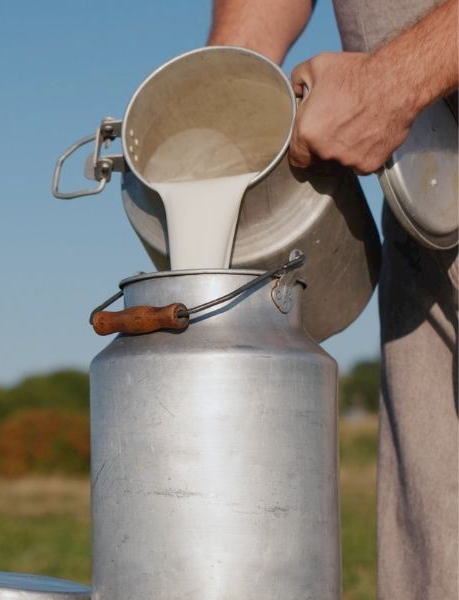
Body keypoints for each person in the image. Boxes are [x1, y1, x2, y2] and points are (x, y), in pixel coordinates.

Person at [209, 1, 458, 597]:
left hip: (406, 100)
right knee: (436, 547)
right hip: (422, 192)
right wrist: (228, 86)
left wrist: (397, 78)